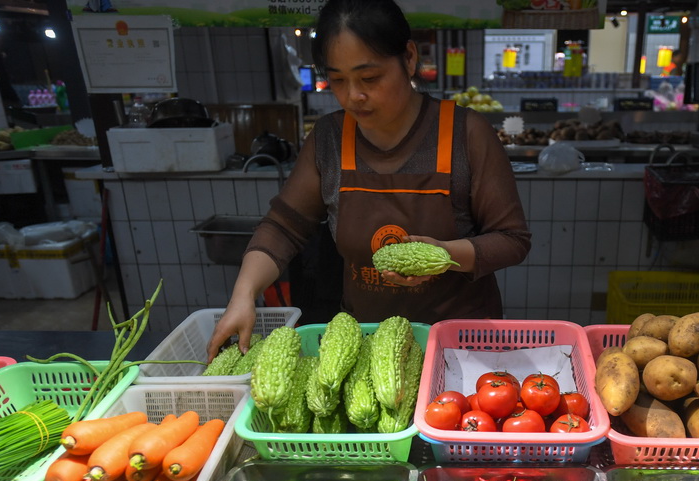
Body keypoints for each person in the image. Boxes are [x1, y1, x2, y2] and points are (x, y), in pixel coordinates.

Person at [206, 0, 531, 360]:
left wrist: (444, 255)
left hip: (462, 346)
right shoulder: (329, 138)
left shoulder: (465, 134)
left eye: (369, 78)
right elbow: (284, 227)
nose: (353, 96)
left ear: (408, 58)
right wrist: (243, 294)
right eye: (338, 80)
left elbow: (512, 239)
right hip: (365, 345)